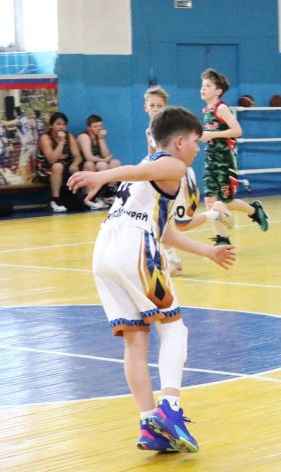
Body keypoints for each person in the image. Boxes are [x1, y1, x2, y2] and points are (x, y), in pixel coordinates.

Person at [67, 106, 236, 453]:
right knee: (174, 328)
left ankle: (149, 424)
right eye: (196, 141)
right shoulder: (173, 166)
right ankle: (169, 408)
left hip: (105, 251)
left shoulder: (148, 169)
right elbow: (142, 192)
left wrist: (207, 251)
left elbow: (165, 230)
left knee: (135, 340)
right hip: (134, 248)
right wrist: (102, 176)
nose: (198, 148)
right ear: (179, 141)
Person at [144, 85, 231, 276]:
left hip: (181, 178)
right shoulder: (150, 132)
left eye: (160, 105)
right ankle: (173, 260)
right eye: (152, 105)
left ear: (166, 107)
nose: (155, 109)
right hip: (165, 179)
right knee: (168, 223)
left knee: (179, 224)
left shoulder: (173, 129)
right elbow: (151, 157)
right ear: (146, 107)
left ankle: (173, 260)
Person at [200, 68, 269, 246]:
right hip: (210, 159)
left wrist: (212, 135)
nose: (203, 88)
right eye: (202, 85)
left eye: (208, 86)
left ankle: (254, 210)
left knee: (227, 202)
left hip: (224, 160)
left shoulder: (221, 108)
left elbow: (237, 131)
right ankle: (222, 239)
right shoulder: (206, 110)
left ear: (218, 91)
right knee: (209, 200)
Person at [36, 112, 104, 212]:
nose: (61, 127)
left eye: (64, 124)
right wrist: (61, 142)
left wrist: (75, 164)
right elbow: (51, 159)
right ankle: (55, 200)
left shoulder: (69, 136)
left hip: (65, 167)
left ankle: (89, 198)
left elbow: (78, 156)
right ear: (51, 125)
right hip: (46, 169)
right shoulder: (45, 137)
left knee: (88, 164)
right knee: (57, 166)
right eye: (58, 124)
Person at [77, 114, 121, 203]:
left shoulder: (98, 136)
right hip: (84, 164)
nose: (99, 129)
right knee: (102, 165)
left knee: (115, 163)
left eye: (100, 126)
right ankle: (95, 195)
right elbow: (88, 157)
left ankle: (110, 192)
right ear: (89, 128)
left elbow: (106, 155)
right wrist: (104, 160)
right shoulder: (84, 136)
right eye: (95, 126)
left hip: (97, 162)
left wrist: (101, 139)